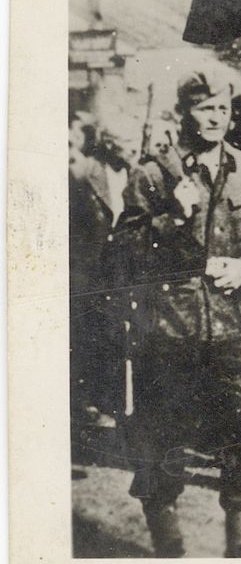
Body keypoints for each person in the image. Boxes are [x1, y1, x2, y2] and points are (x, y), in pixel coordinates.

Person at [117, 71, 241, 558]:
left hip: (233, 323)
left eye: (223, 109)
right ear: (185, 113)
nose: (216, 117)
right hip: (170, 326)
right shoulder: (154, 173)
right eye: (205, 108)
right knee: (161, 430)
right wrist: (170, 214)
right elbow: (123, 250)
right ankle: (165, 529)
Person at [69, 123, 132, 432]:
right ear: (108, 142)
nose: (130, 147)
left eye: (133, 140)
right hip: (90, 270)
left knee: (121, 337)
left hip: (124, 269)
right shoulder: (84, 173)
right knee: (92, 336)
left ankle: (118, 407)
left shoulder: (138, 174)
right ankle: (92, 406)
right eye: (124, 139)